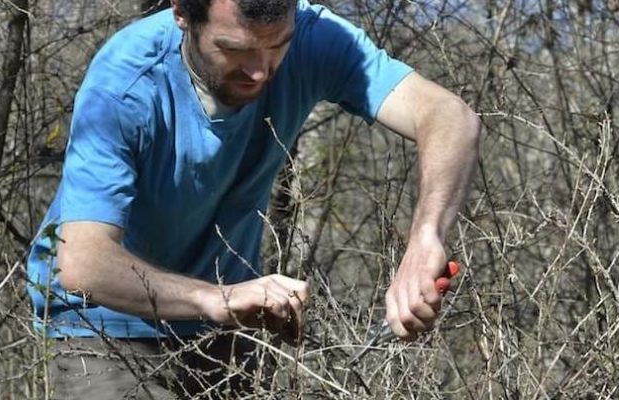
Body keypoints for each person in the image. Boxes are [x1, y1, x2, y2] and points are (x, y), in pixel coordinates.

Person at [27, 0, 479, 397]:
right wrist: (216, 298)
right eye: (235, 49)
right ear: (183, 13)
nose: (260, 69)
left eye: (277, 45)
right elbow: (84, 264)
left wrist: (425, 239)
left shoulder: (312, 37)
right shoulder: (125, 84)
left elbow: (449, 116)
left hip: (227, 327)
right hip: (105, 324)